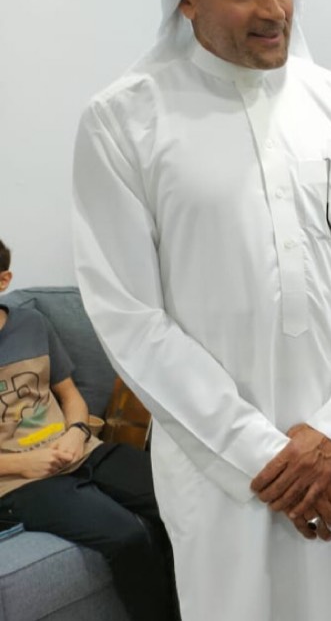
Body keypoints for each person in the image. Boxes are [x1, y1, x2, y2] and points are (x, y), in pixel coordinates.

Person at [72, 0, 331, 620]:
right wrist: (262, 454)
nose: (273, 10)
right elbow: (129, 315)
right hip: (226, 469)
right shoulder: (123, 121)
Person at [0, 238, 178, 619]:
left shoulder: (31, 325)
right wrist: (26, 464)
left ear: (3, 281)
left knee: (180, 498)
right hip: (18, 482)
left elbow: (70, 396)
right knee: (128, 536)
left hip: (80, 449)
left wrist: (76, 432)